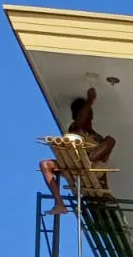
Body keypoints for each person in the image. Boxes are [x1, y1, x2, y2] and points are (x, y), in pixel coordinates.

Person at [39, 87, 117, 216]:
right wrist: (90, 101)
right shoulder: (75, 128)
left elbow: (104, 170)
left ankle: (88, 160)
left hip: (93, 167)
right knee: (45, 164)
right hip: (72, 164)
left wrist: (105, 190)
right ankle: (59, 203)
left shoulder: (98, 138)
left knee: (110, 140)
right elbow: (79, 121)